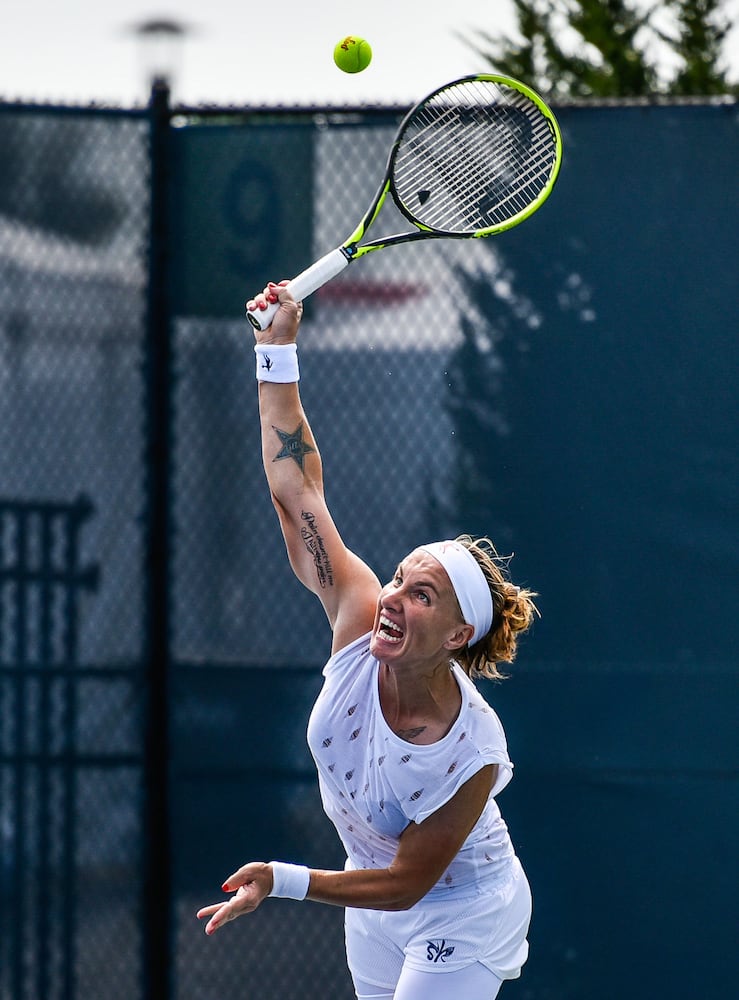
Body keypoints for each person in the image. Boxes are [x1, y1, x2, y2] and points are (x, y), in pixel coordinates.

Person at [197, 281, 538, 1000]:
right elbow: (298, 491)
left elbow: (409, 882)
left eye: (421, 594)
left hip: (463, 908)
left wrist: (283, 880)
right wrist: (276, 350)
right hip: (370, 896)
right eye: (396, 579)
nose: (390, 599)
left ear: (456, 633)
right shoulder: (357, 619)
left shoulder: (473, 746)